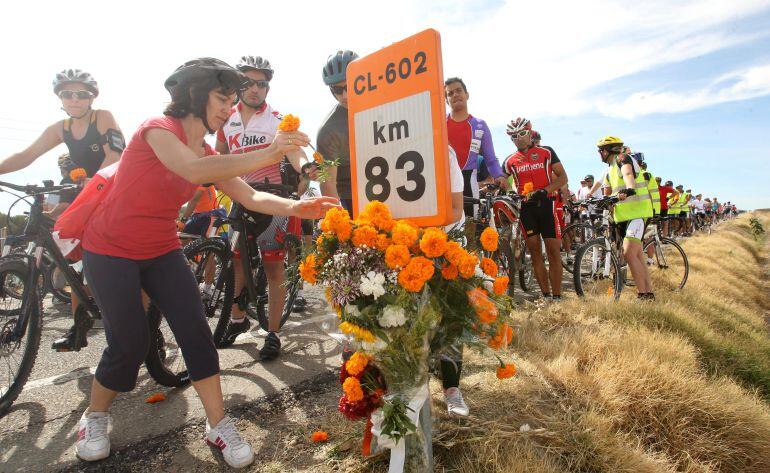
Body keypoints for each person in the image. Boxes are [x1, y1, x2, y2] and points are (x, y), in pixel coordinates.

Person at [72, 58, 339, 467]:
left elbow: (250, 196)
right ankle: (95, 416)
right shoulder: (156, 130)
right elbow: (193, 170)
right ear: (193, 94)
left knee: (197, 334)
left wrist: (299, 207)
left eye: (233, 101)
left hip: (161, 248)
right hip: (109, 249)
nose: (229, 109)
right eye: (222, 98)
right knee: (129, 345)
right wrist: (271, 150)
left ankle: (217, 425)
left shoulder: (209, 150)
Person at [0, 68, 125, 352]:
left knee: (112, 256)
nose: (74, 99)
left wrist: (95, 180)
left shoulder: (102, 117)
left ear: (92, 97)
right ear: (60, 97)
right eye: (67, 94)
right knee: (70, 260)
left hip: (112, 188)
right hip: (82, 191)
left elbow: (115, 155)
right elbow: (26, 155)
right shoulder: (61, 128)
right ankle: (79, 324)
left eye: (81, 94)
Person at [215, 55, 318, 360]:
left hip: (272, 200)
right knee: (236, 263)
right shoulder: (226, 118)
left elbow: (295, 151)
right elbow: (220, 154)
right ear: (238, 84)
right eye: (249, 82)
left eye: (262, 83)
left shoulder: (276, 117)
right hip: (240, 195)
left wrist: (305, 168)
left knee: (274, 268)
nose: (256, 89)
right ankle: (237, 319)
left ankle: (272, 333)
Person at [503, 118, 568, 300]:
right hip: (526, 209)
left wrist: (545, 191)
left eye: (522, 133)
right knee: (535, 252)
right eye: (514, 136)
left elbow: (563, 177)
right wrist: (503, 188)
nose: (519, 138)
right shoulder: (510, 161)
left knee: (554, 251)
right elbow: (502, 181)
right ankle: (546, 296)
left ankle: (557, 297)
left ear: (530, 132)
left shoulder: (546, 152)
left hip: (547, 204)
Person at [444, 77, 508, 231]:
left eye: (459, 90)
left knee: (469, 230)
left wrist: (499, 175)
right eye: (450, 93)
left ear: (467, 94)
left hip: (468, 181)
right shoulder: (439, 123)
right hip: (445, 182)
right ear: (446, 100)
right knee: (446, 229)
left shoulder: (479, 125)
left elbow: (490, 158)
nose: (455, 95)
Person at [597, 136, 654, 300]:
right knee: (636, 256)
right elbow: (607, 193)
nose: (599, 154)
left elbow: (628, 173)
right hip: (622, 217)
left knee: (629, 253)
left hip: (637, 214)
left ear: (608, 150)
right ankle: (649, 293)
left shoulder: (623, 159)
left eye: (601, 151)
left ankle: (642, 295)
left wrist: (630, 188)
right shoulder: (610, 171)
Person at [317, 50, 359, 213]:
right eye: (337, 89)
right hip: (350, 199)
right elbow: (327, 182)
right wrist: (340, 222)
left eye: (349, 86)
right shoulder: (329, 130)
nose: (345, 95)